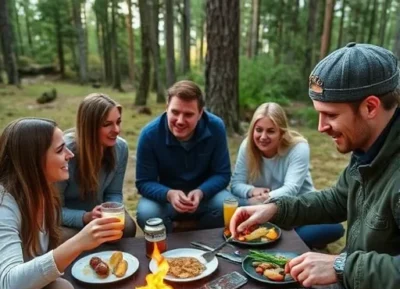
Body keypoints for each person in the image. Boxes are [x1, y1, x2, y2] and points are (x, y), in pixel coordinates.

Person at [229, 42, 400, 289]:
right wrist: (275, 209)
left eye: (330, 115)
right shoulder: (371, 148)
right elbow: (338, 198)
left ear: (371, 106)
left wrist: (342, 266)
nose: (321, 128)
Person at [0, 118, 124, 289]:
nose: (70, 154)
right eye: (60, 150)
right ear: (33, 160)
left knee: (93, 239)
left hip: (20, 287)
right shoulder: (4, 204)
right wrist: (79, 242)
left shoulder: (41, 191)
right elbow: (10, 283)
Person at [231, 102, 344, 248]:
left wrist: (266, 199)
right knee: (233, 205)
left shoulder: (298, 148)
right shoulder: (247, 146)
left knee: (334, 228)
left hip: (298, 210)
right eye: (259, 130)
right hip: (261, 211)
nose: (263, 137)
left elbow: (291, 189)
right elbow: (236, 184)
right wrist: (251, 190)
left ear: (281, 132)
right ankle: (282, 240)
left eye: (271, 131)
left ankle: (285, 240)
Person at [136, 80, 232, 232]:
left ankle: (186, 229)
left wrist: (201, 192)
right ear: (166, 107)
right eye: (175, 112)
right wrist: (169, 194)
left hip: (204, 198)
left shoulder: (216, 127)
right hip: (166, 200)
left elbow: (222, 174)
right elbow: (144, 182)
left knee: (228, 204)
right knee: (147, 213)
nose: (180, 121)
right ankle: (182, 233)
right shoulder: (149, 134)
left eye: (188, 114)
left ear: (200, 113)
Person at [58, 93, 136, 241]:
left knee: (128, 226)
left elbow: (114, 193)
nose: (116, 130)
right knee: (64, 238)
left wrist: (112, 212)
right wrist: (85, 217)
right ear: (89, 127)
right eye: (107, 124)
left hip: (98, 215)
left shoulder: (120, 148)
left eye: (118, 122)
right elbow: (53, 211)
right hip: (69, 220)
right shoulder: (65, 152)